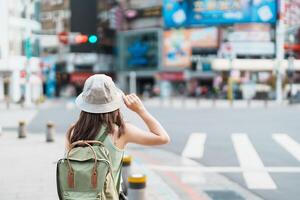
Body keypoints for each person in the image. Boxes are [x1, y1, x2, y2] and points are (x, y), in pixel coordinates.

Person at [66, 74, 170, 197]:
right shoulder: (121, 132)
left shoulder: (74, 130)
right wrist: (141, 110)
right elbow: (163, 138)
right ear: (114, 103)